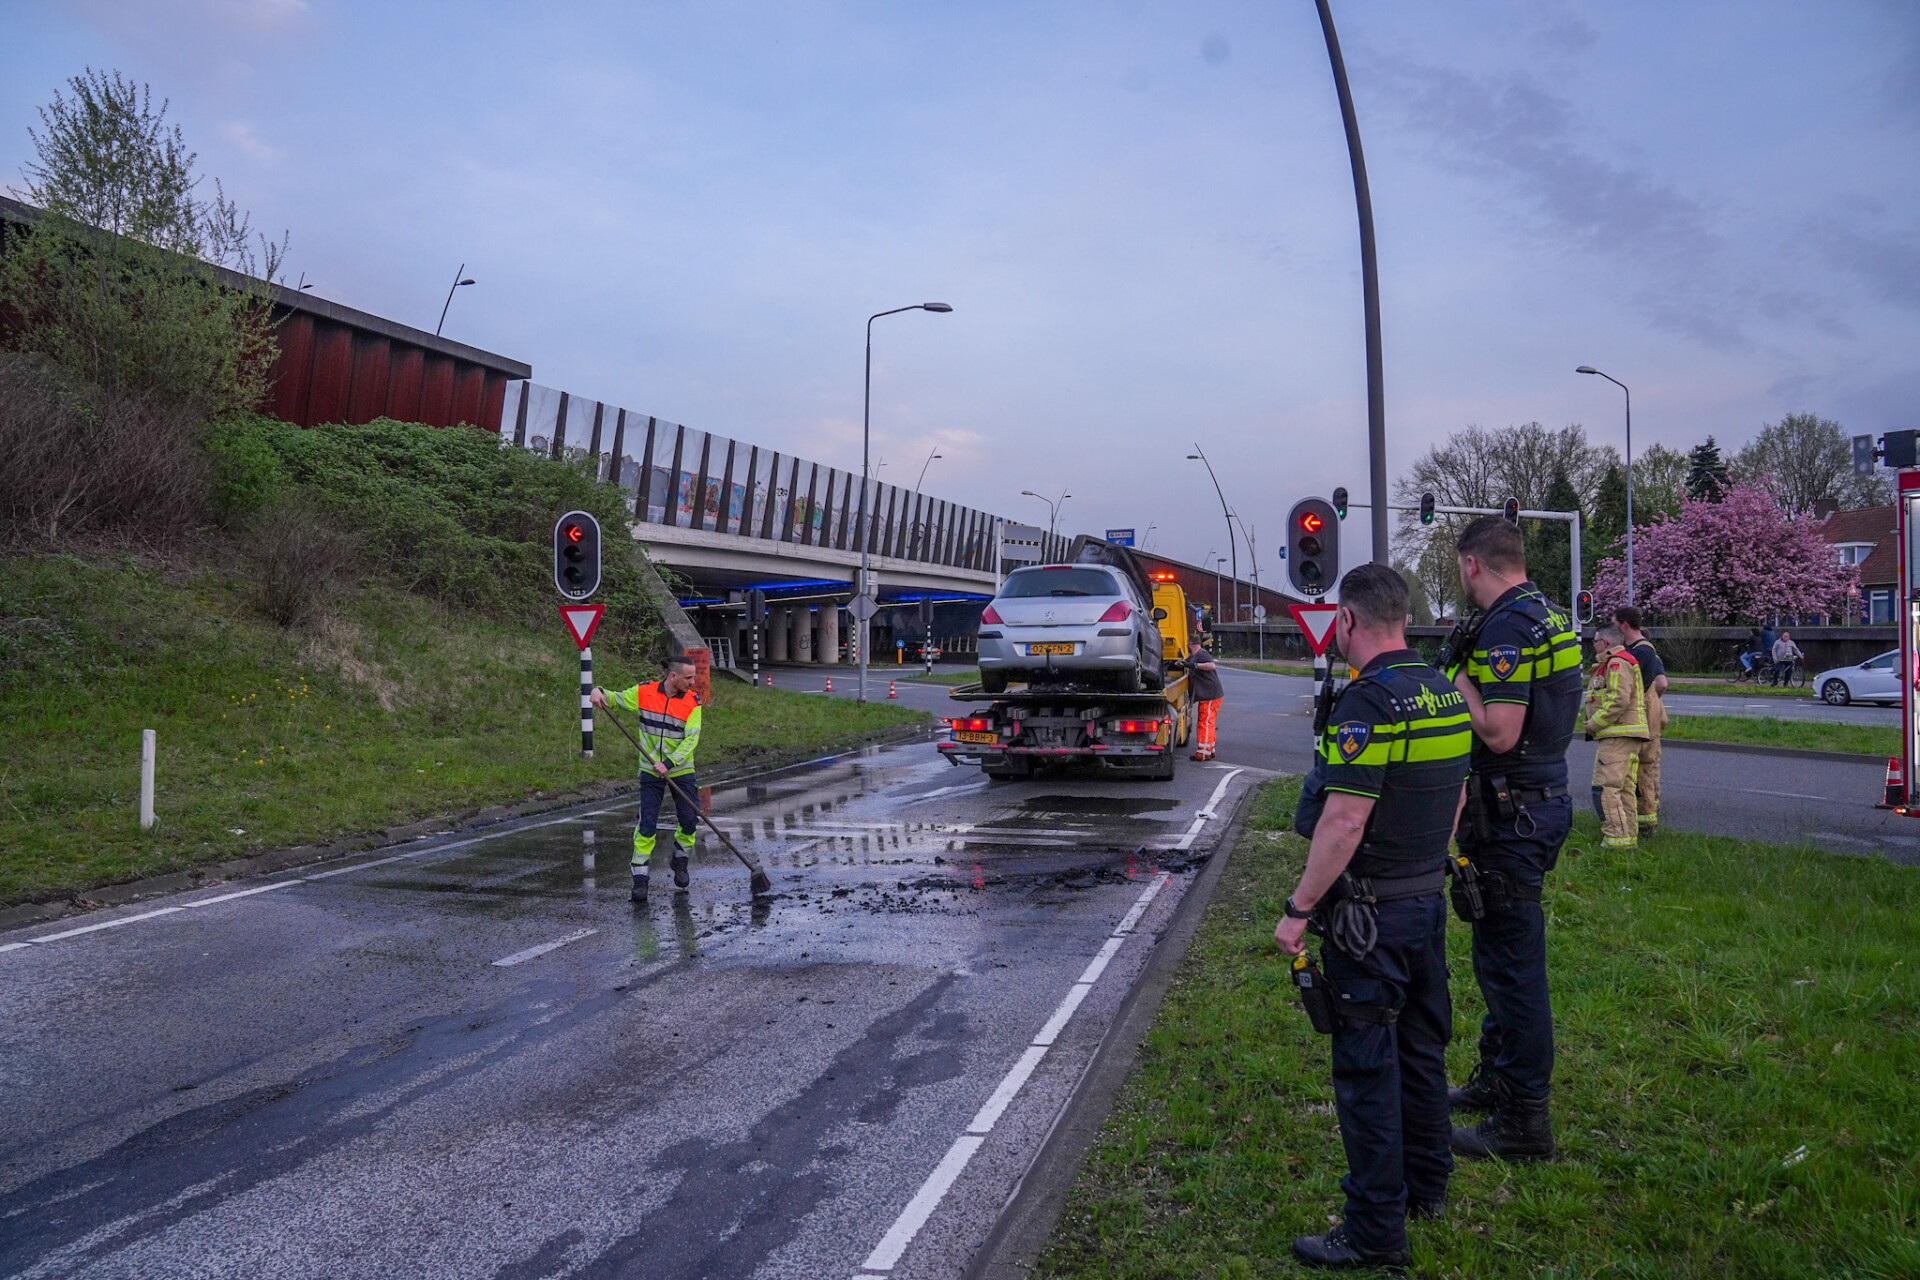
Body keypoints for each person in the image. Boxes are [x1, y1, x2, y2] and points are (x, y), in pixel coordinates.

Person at [1276, 564, 1471, 1269]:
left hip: (1368, 918)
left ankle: (1374, 1231)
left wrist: (1299, 909)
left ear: (1349, 621)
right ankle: (1429, 1186)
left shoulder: (1369, 704)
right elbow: (1455, 799)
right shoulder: (1444, 693)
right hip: (1423, 903)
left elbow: (1344, 820)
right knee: (1422, 1050)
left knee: (1365, 1067)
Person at [1444, 517, 1582, 1160]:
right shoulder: (1550, 616)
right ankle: (1497, 1079)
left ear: (1474, 564)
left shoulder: (1506, 626)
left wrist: (1457, 679)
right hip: (1540, 799)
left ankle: (1525, 1123)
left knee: (1513, 969)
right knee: (1501, 958)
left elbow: (1498, 732)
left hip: (1513, 810)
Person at [590, 653, 703, 904]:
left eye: (693, 677)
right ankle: (640, 880)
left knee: (689, 821)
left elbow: (691, 740)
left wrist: (670, 763)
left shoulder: (692, 704)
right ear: (673, 676)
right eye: (688, 677)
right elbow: (617, 699)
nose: (693, 682)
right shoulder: (645, 692)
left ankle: (680, 860)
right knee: (647, 825)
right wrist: (600, 692)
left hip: (681, 770)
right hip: (650, 771)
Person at [1586, 625, 1652, 850]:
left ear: (1604, 643)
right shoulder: (1620, 661)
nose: (1592, 645)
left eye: (1595, 641)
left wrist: (1594, 724)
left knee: (1609, 788)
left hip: (1618, 735)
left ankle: (1615, 840)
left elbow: (1618, 699)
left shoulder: (1616, 662)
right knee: (1624, 788)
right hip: (1627, 735)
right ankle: (1625, 839)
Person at [1612, 606, 1667, 832]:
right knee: (1650, 766)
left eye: (1614, 624)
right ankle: (1650, 812)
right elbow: (1662, 683)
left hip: (1642, 714)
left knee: (1641, 768)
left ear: (1624, 625)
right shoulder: (1650, 651)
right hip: (1651, 713)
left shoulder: (1639, 652)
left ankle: (1645, 821)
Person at [1186, 638, 1223, 761]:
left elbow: (1211, 665)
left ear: (1190, 643)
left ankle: (1203, 753)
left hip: (1210, 694)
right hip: (1211, 694)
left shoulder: (1201, 654)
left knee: (1205, 723)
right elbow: (1189, 662)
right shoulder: (1194, 656)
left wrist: (1195, 665)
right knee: (1209, 722)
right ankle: (1210, 748)